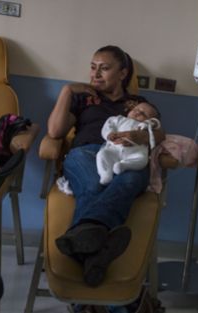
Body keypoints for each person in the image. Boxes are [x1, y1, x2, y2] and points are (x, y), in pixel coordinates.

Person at [47, 45, 164, 288]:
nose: (95, 74)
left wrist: (143, 137)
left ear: (122, 74)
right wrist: (67, 91)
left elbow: (159, 132)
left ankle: (85, 248)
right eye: (93, 67)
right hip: (86, 154)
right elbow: (55, 131)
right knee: (93, 183)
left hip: (126, 156)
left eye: (104, 68)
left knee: (132, 179)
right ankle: (99, 249)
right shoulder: (83, 99)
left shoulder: (139, 104)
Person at [96, 101, 161, 185]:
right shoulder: (119, 119)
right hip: (114, 149)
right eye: (135, 109)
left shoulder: (146, 127)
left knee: (142, 160)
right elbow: (109, 124)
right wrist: (109, 133)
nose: (137, 112)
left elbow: (157, 126)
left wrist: (151, 124)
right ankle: (105, 173)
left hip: (135, 153)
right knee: (102, 154)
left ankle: (124, 165)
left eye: (143, 114)